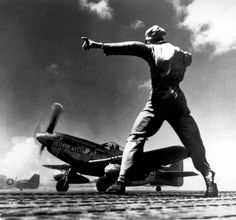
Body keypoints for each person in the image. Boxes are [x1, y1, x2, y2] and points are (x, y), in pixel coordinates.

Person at [81, 25, 218, 197]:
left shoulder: (150, 48)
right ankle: (209, 179)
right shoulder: (180, 53)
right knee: (194, 142)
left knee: (135, 138)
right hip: (178, 101)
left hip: (158, 100)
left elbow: (130, 47)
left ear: (149, 39)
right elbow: (189, 58)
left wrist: (98, 45)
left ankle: (121, 181)